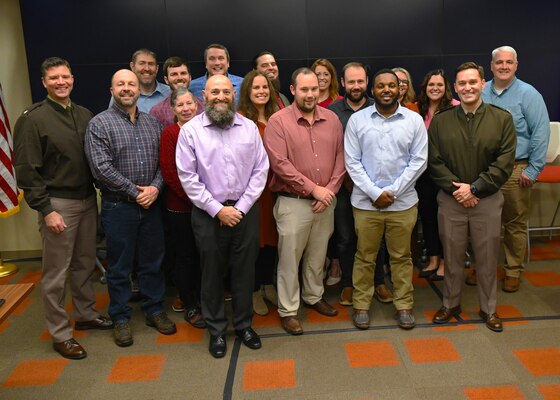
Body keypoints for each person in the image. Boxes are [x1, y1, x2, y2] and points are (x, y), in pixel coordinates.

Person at [13, 57, 112, 360]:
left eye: (65, 77)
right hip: (58, 203)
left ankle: (85, 313)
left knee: (84, 263)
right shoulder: (33, 118)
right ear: (44, 82)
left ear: (72, 79)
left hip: (86, 200)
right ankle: (60, 333)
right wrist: (46, 210)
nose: (61, 82)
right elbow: (27, 171)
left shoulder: (83, 114)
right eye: (54, 78)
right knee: (56, 273)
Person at [176, 75, 269, 358]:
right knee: (212, 273)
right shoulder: (190, 131)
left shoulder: (249, 127)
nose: (220, 96)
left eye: (226, 92)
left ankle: (243, 325)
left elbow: (260, 170)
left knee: (244, 272)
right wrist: (218, 210)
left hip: (245, 211)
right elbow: (188, 178)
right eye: (214, 91)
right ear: (204, 94)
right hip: (208, 213)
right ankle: (216, 330)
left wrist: (239, 208)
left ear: (234, 94)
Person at [85, 69, 176, 348]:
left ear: (139, 90)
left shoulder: (153, 124)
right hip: (118, 206)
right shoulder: (99, 124)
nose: (127, 88)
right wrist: (135, 192)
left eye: (132, 84)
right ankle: (121, 316)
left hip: (151, 204)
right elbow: (101, 169)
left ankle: (154, 310)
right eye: (121, 84)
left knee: (152, 262)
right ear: (111, 90)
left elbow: (165, 163)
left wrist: (155, 188)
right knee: (120, 266)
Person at [429, 62, 516, 332]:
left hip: (486, 200)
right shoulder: (442, 120)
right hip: (451, 200)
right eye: (462, 83)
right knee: (452, 257)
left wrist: (475, 188)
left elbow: (504, 162)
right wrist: (460, 190)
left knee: (487, 257)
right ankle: (450, 304)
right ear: (455, 87)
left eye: (472, 82)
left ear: (482, 84)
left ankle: (489, 309)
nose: (467, 87)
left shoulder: (502, 119)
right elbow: (433, 161)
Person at [264, 67, 346, 335]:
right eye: (304, 89)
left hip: (326, 201)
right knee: (289, 258)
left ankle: (313, 296)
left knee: (317, 255)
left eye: (314, 89)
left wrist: (329, 191)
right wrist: (314, 190)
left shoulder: (332, 119)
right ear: (293, 90)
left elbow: (341, 158)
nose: (310, 94)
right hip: (293, 202)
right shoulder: (278, 122)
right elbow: (280, 164)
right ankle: (288, 310)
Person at [345, 68, 428, 330]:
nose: (386, 90)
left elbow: (419, 161)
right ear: (373, 89)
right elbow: (352, 161)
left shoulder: (413, 121)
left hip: (402, 204)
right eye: (381, 86)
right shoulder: (357, 121)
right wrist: (375, 193)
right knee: (365, 256)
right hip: (366, 204)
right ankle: (361, 305)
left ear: (399, 89)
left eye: (391, 85)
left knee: (401, 257)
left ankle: (404, 305)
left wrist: (392, 191)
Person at [482, 46, 550, 293]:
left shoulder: (528, 94)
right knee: (483, 223)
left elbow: (541, 134)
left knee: (514, 223)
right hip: (485, 170)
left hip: (515, 169)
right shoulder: (481, 91)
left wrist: (533, 170)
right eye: (499, 62)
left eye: (509, 62)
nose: (504, 66)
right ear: (491, 65)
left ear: (516, 65)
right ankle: (483, 269)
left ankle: (512, 271)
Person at [327, 62, 393, 306]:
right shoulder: (332, 112)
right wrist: (344, 181)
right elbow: (331, 151)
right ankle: (348, 283)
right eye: (351, 82)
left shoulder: (381, 109)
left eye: (360, 81)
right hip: (343, 187)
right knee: (345, 239)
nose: (356, 86)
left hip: (376, 188)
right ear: (342, 83)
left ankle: (378, 282)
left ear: (368, 83)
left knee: (377, 238)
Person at [159, 88, 205, 328]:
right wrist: (199, 199)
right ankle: (191, 305)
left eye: (190, 103)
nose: (186, 108)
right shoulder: (170, 134)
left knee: (204, 257)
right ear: (173, 109)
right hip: (182, 207)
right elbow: (170, 174)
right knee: (185, 256)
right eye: (181, 105)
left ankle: (205, 300)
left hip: (207, 207)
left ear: (197, 105)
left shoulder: (205, 130)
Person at [237, 70, 280, 316]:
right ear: (247, 92)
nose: (262, 91)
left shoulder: (278, 116)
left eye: (265, 87)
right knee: (255, 241)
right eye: (256, 88)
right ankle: (253, 290)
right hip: (253, 193)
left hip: (278, 189)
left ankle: (267, 284)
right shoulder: (240, 119)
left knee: (274, 239)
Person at [416, 69, 460, 281]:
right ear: (425, 88)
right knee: (428, 217)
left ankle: (445, 262)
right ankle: (433, 259)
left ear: (446, 88)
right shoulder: (417, 110)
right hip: (424, 175)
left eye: (439, 85)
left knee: (446, 220)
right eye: (431, 85)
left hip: (448, 174)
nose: (435, 88)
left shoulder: (456, 108)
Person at [109, 48, 170, 113]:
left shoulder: (169, 92)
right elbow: (111, 119)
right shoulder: (123, 94)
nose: (147, 68)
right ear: (132, 66)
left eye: (151, 64)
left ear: (157, 68)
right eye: (142, 63)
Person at [150, 56, 204, 127]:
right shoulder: (157, 111)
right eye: (174, 74)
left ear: (190, 77)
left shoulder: (203, 106)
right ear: (166, 80)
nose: (179, 78)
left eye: (183, 73)